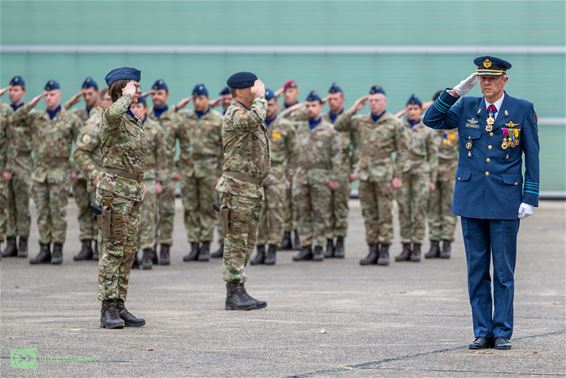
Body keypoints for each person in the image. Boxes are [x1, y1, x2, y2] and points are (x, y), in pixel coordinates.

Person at [423, 56, 540, 350]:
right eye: (482, 78)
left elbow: (532, 157)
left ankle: (501, 331)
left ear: (504, 80)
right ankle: (481, 330)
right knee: (476, 271)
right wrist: (455, 93)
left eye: (492, 78)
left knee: (503, 271)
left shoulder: (521, 109)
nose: (486, 83)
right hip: (472, 199)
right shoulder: (466, 107)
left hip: (504, 201)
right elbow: (431, 120)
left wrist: (530, 197)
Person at [334, 85, 408, 266]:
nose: (374, 104)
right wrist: (354, 108)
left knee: (384, 213)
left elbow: (402, 151)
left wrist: (398, 175)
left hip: (383, 173)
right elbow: (338, 125)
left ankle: (384, 249)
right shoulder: (361, 121)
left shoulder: (394, 123)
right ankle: (372, 248)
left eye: (377, 100)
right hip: (365, 174)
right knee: (368, 213)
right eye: (371, 100)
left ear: (385, 102)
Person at [96, 67, 146, 328]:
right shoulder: (111, 115)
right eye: (134, 86)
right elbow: (113, 112)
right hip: (114, 195)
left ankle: (119, 304)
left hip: (130, 194)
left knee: (127, 251)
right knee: (112, 250)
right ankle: (107, 308)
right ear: (122, 88)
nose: (138, 91)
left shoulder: (130, 118)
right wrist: (124, 96)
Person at [216, 72, 269, 310]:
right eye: (252, 87)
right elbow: (253, 120)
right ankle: (233, 292)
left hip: (251, 187)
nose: (257, 89)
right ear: (240, 91)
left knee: (248, 242)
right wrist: (261, 99)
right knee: (236, 240)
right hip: (237, 188)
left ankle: (240, 288)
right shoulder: (235, 113)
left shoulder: (247, 113)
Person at [15, 80, 81, 264]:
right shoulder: (36, 117)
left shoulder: (70, 119)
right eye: (46, 95)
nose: (49, 98)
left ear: (59, 95)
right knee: (42, 212)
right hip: (40, 172)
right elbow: (14, 120)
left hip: (59, 172)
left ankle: (58, 248)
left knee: (58, 212)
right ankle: (44, 248)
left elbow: (81, 146)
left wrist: (75, 168)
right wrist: (29, 106)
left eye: (52, 94)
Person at [250, 88, 298, 265]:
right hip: (257, 177)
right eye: (265, 105)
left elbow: (294, 154)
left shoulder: (285, 126)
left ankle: (273, 248)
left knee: (276, 214)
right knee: (258, 215)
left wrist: (289, 177)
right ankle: (260, 248)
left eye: (271, 104)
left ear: (276, 105)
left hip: (277, 176)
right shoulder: (254, 124)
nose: (268, 108)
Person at [292, 91, 340, 262]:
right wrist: (301, 109)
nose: (310, 109)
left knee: (320, 212)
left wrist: (334, 177)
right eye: (308, 105)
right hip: (302, 175)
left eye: (314, 105)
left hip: (321, 175)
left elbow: (336, 155)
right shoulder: (299, 126)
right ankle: (306, 246)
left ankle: (319, 246)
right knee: (302, 212)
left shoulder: (329, 129)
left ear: (321, 106)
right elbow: (286, 115)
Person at [177, 84, 223, 262]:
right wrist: (178, 106)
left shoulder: (217, 119)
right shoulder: (185, 118)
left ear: (208, 99)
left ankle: (205, 245)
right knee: (190, 208)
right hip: (189, 168)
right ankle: (193, 245)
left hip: (209, 168)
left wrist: (220, 172)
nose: (198, 101)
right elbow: (166, 118)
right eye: (195, 98)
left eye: (201, 98)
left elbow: (224, 148)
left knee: (207, 207)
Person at [394, 94, 438, 262]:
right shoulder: (399, 127)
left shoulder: (427, 130)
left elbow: (433, 155)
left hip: (421, 173)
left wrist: (433, 179)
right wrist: (396, 176)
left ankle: (417, 246)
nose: (412, 112)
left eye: (415, 109)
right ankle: (406, 246)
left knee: (419, 210)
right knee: (404, 210)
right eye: (410, 109)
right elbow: (397, 152)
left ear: (421, 110)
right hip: (403, 173)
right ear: (406, 110)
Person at [73, 88, 113, 261]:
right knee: (104, 226)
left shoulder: (118, 120)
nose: (112, 103)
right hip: (102, 185)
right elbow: (80, 153)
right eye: (109, 99)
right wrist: (94, 175)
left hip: (118, 185)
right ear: (101, 101)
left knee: (115, 228)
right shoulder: (96, 122)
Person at [148, 79, 183, 265]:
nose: (156, 97)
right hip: (149, 173)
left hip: (168, 173)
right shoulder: (146, 117)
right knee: (149, 213)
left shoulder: (175, 119)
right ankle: (150, 247)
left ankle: (165, 248)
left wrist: (180, 168)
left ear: (167, 95)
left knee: (167, 212)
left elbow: (186, 145)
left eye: (159, 94)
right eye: (153, 94)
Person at [66, 77, 102, 261]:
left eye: (90, 93)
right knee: (83, 208)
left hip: (96, 169)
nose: (87, 97)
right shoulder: (78, 115)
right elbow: (59, 119)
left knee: (98, 208)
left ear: (97, 93)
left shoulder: (101, 114)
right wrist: (70, 103)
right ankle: (86, 244)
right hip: (80, 170)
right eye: (84, 94)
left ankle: (98, 245)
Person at [130, 96, 166, 270]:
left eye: (139, 106)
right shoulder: (126, 128)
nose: (136, 109)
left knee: (148, 217)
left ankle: (147, 252)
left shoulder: (155, 129)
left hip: (150, 177)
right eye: (134, 106)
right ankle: (133, 253)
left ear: (145, 109)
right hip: (130, 179)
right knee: (131, 217)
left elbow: (163, 157)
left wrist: (160, 181)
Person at [1, 76, 32, 258]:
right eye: (11, 90)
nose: (13, 93)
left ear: (23, 92)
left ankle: (23, 242)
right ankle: (10, 241)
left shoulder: (28, 114)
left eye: (17, 90)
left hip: (22, 163)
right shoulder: (3, 112)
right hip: (4, 164)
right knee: (7, 204)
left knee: (22, 205)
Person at [426, 90, 459, 259]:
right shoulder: (427, 126)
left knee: (448, 208)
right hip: (431, 175)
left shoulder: (455, 127)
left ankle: (446, 243)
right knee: (432, 209)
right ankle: (433, 243)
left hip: (450, 173)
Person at [322, 83, 353, 258]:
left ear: (342, 99)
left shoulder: (350, 120)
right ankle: (328, 241)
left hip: (343, 170)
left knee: (340, 207)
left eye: (336, 98)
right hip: (325, 170)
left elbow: (357, 145)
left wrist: (354, 168)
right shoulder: (322, 119)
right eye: (330, 98)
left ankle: (340, 241)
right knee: (325, 207)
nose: (332, 102)